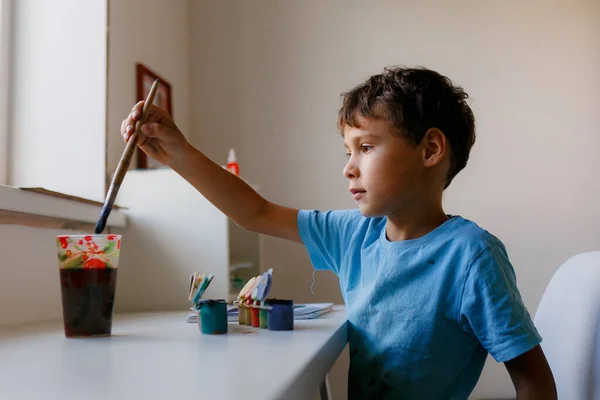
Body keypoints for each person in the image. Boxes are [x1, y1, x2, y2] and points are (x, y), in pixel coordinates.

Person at [121, 66, 557, 399]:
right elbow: (254, 211)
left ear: (430, 149)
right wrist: (177, 152)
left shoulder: (472, 256)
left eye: (365, 148)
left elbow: (533, 379)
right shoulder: (356, 234)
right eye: (348, 151)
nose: (348, 166)